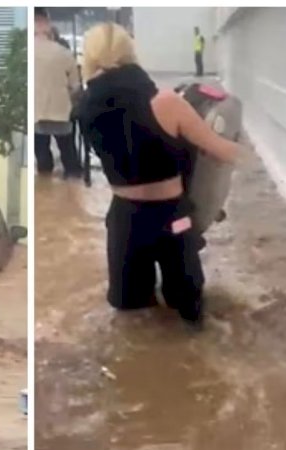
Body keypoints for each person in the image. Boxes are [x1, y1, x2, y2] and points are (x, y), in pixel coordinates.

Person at [77, 23, 256, 329]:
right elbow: (222, 150)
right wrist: (250, 151)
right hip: (173, 218)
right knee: (189, 308)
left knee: (130, 314)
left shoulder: (83, 108)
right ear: (131, 54)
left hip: (124, 220)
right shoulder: (167, 103)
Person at [34, 7, 82, 179]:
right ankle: (72, 194)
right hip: (61, 111)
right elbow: (76, 86)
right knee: (70, 157)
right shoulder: (64, 53)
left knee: (43, 161)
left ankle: (45, 192)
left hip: (35, 115)